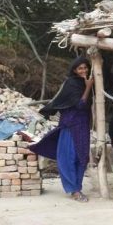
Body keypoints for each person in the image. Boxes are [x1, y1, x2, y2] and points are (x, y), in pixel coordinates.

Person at [30, 57, 93, 202]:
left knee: (82, 157)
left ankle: (78, 186)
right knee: (68, 157)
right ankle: (74, 190)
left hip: (83, 125)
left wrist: (89, 86)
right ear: (74, 70)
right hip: (70, 125)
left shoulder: (86, 83)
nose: (83, 71)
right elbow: (80, 105)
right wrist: (88, 87)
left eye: (85, 67)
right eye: (80, 68)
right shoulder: (71, 84)